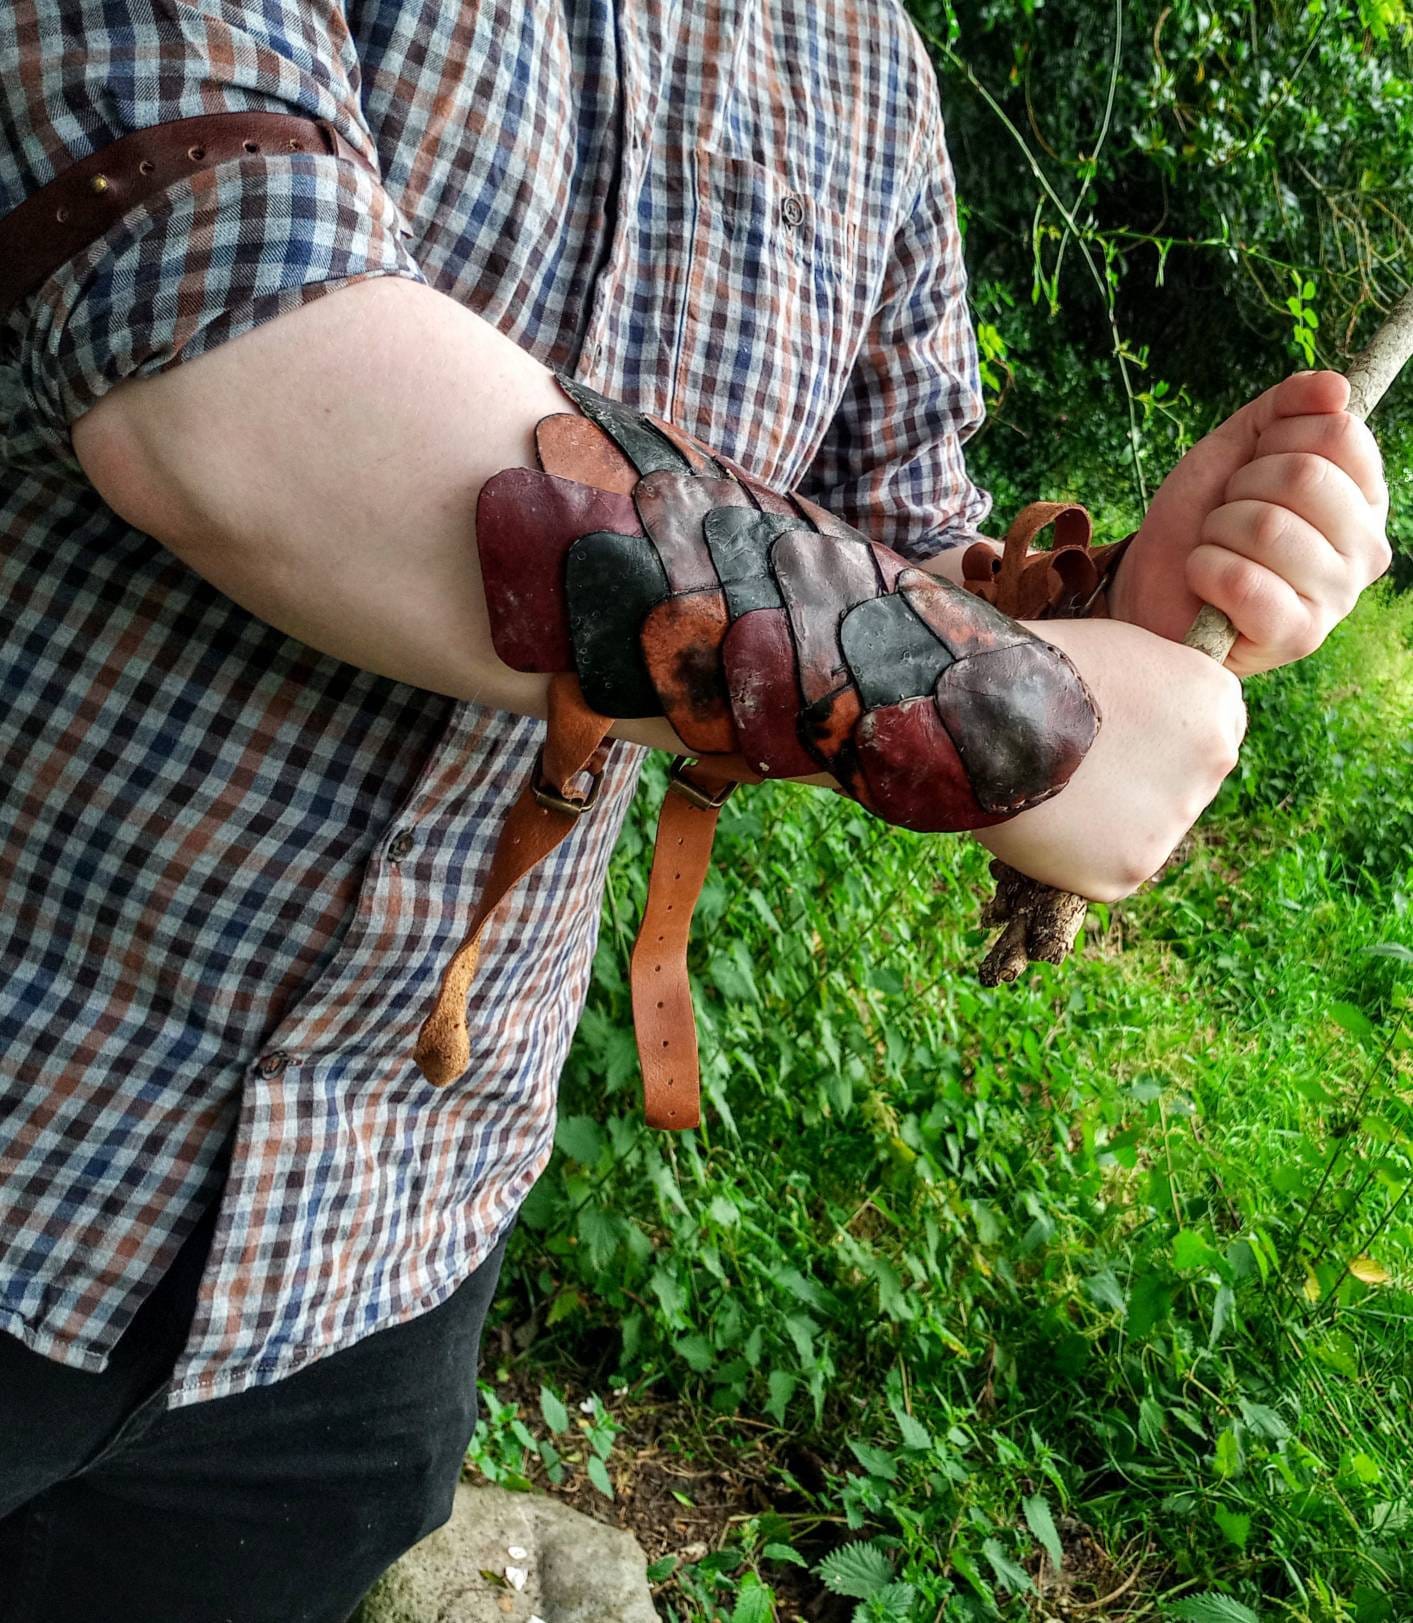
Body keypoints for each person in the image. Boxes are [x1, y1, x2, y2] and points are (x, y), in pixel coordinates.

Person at [0, 2, 1389, 1620]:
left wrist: (1097, 620)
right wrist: (1012, 710)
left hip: (374, 1252)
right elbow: (234, 383)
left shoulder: (864, 68)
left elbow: (893, 536)